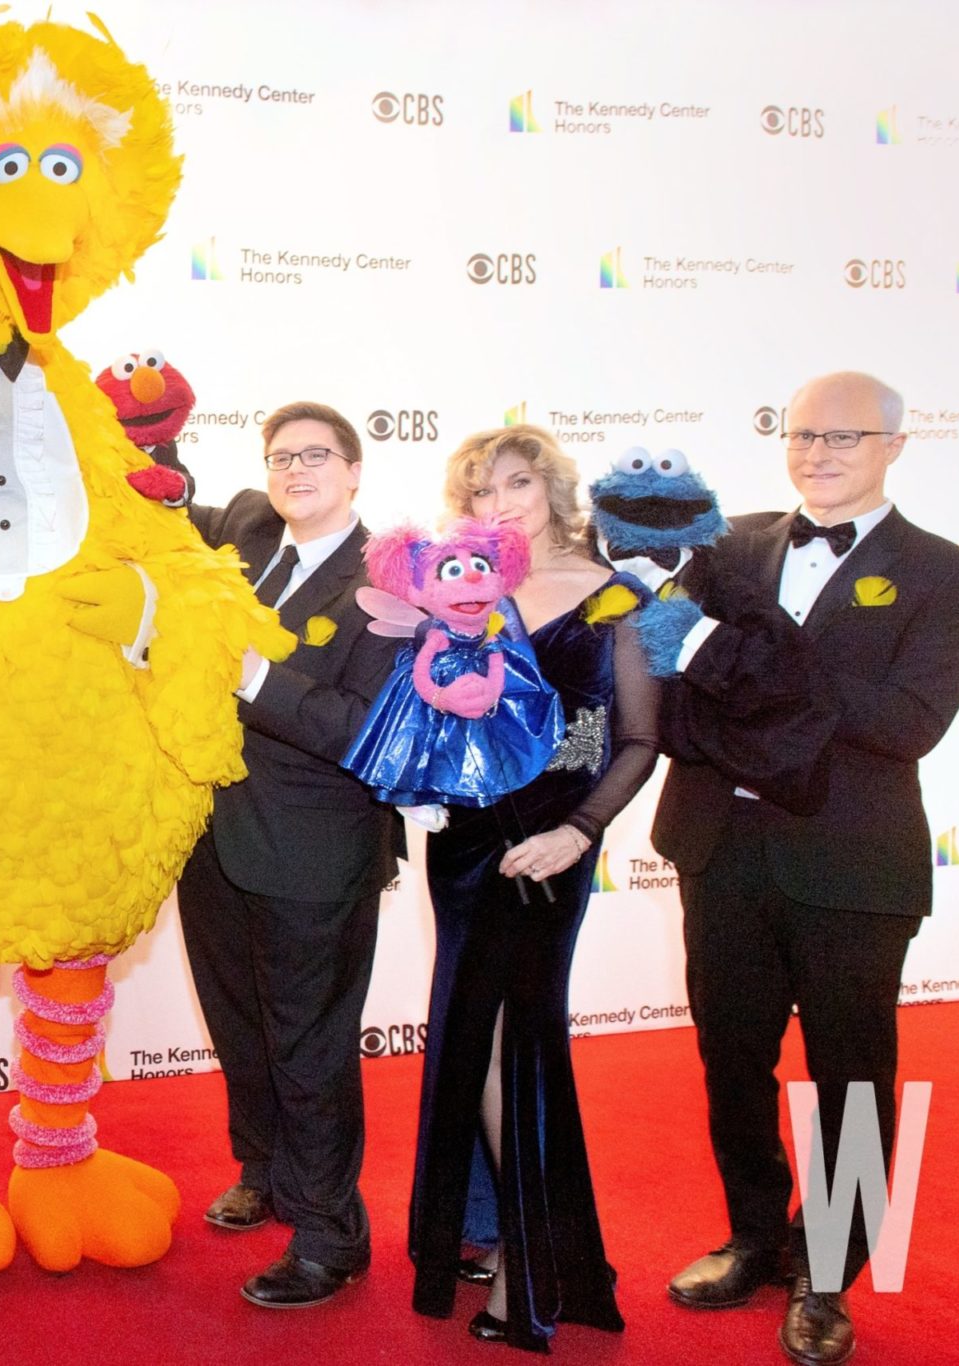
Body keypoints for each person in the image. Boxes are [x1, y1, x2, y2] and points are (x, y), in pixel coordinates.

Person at [655, 372, 959, 1366]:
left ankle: (828, 1272)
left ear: (895, 443)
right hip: (720, 847)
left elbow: (904, 721)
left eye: (841, 435)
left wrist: (748, 666)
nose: (814, 451)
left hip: (851, 861)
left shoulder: (949, 572)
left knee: (849, 1076)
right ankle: (753, 1237)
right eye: (798, 433)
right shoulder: (726, 546)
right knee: (729, 1056)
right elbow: (666, 667)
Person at [407, 424, 651, 1352]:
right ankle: (540, 1249)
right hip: (467, 847)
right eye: (478, 490)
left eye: (514, 482)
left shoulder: (614, 595)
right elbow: (427, 709)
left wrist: (577, 831)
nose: (497, 503)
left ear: (552, 486)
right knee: (472, 1045)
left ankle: (528, 1263)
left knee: (521, 1051)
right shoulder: (459, 590)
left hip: (549, 851)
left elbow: (635, 738)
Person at [175, 402, 401, 1308]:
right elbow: (166, 506)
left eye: (316, 455)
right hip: (216, 841)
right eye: (280, 457)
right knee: (239, 1022)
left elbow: (367, 729)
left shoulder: (391, 580)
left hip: (317, 849)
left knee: (310, 1045)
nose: (295, 470)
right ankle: (263, 1169)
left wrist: (255, 678)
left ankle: (328, 1233)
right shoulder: (247, 543)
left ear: (354, 472)